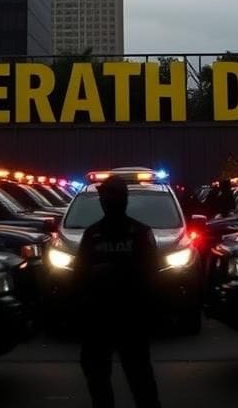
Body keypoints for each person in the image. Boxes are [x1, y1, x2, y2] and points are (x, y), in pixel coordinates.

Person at [74, 175, 161, 408]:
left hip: (130, 317)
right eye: (103, 195)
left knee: (140, 380)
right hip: (98, 318)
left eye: (110, 194)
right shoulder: (92, 234)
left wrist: (116, 271)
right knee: (97, 379)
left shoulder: (140, 233)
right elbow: (79, 276)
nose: (105, 199)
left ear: (122, 199)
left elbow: (152, 274)